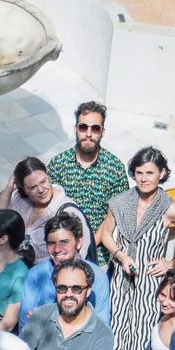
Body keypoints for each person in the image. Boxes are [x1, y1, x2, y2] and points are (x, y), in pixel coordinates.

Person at [97, 145, 175, 350]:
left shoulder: (169, 207)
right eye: (139, 173)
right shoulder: (120, 202)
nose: (143, 178)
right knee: (117, 325)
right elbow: (105, 234)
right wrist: (120, 255)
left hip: (150, 280)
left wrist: (170, 263)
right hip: (121, 276)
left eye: (149, 173)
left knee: (143, 329)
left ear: (161, 174)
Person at [46, 100, 128, 258]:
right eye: (83, 127)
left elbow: (116, 213)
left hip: (98, 254)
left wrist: (90, 243)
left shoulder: (114, 168)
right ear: (76, 129)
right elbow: (48, 209)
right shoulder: (58, 164)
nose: (88, 134)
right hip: (60, 252)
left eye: (95, 128)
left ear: (102, 132)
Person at [18, 209, 105, 334]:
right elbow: (25, 327)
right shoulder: (35, 275)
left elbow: (101, 328)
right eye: (51, 243)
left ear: (79, 242)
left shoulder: (98, 276)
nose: (57, 249)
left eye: (64, 242)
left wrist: (46, 322)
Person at [0, 155, 84, 260]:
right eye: (33, 187)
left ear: (48, 177)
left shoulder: (67, 210)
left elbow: (76, 254)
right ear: (24, 190)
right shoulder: (19, 199)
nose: (41, 190)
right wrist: (9, 189)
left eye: (43, 181)